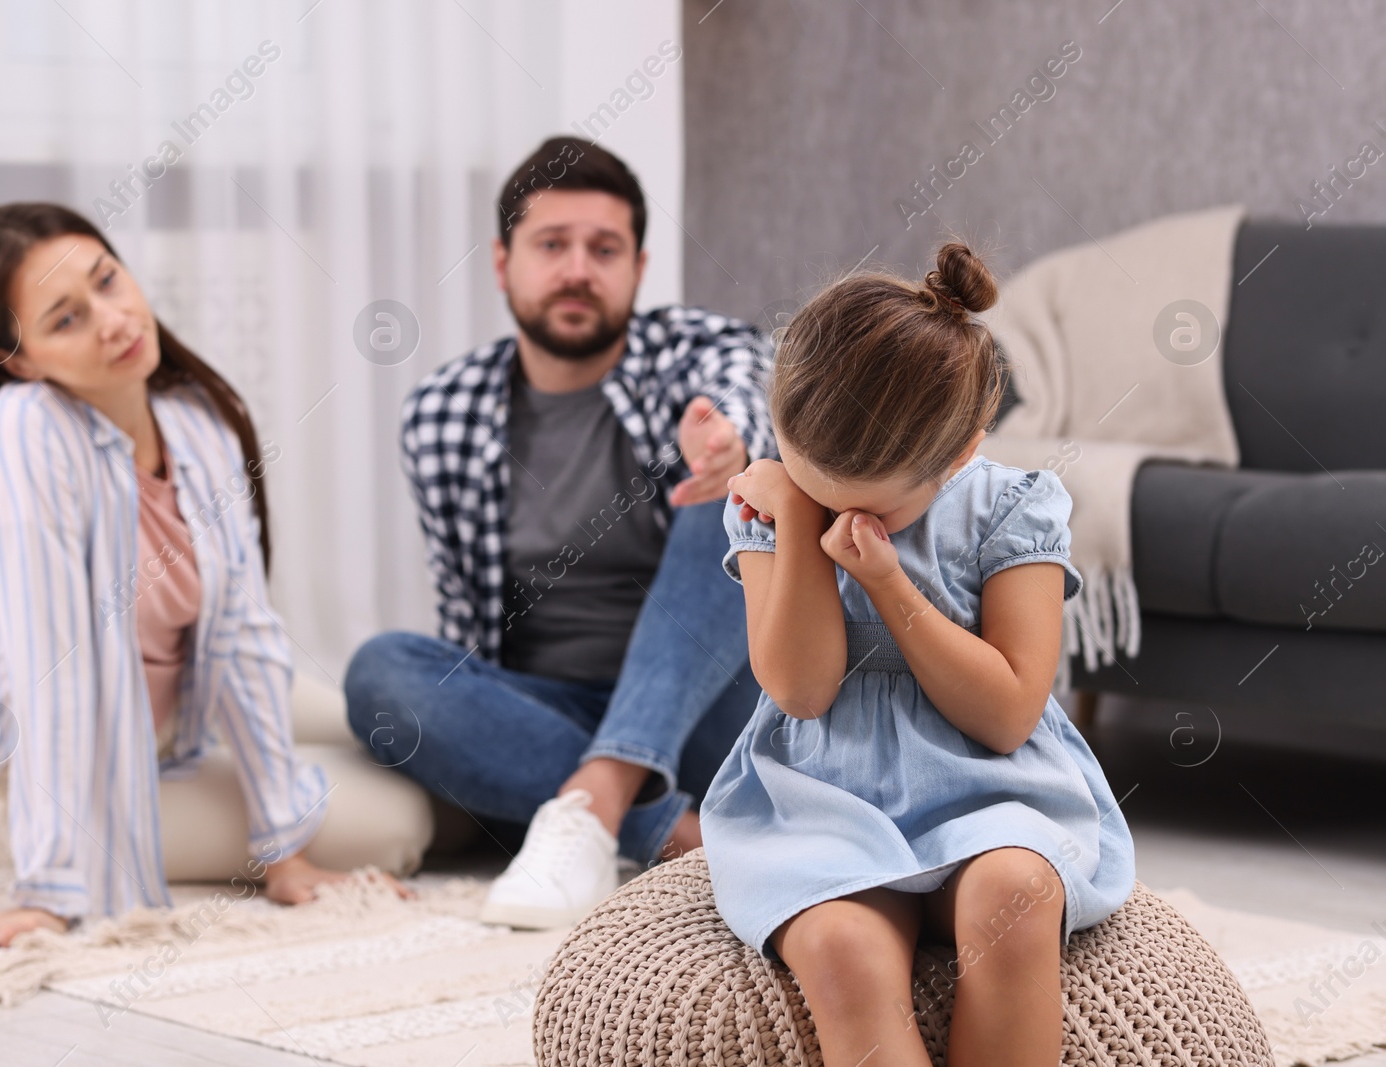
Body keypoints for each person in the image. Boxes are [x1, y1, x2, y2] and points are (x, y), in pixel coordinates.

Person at [0, 203, 432, 955]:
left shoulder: (197, 422)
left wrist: (285, 846)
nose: (113, 320)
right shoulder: (23, 438)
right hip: (86, 770)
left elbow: (244, 636)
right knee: (405, 819)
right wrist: (50, 892)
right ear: (20, 358)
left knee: (409, 723)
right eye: (67, 318)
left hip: (189, 708)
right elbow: (48, 675)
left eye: (108, 281)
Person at [701, 243, 1136, 1066]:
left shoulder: (1012, 507)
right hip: (824, 801)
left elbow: (1008, 713)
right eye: (810, 476)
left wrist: (889, 585)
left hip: (993, 793)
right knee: (840, 948)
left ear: (958, 456)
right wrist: (794, 521)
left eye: (863, 500)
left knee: (1016, 894)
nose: (830, 505)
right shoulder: (768, 507)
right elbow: (801, 686)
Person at [345, 137, 774, 928]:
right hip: (547, 714)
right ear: (504, 262)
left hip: (714, 709)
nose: (578, 268)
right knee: (381, 672)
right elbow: (467, 620)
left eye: (603, 248)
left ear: (638, 270)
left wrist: (730, 446)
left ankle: (595, 802)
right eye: (553, 245)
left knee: (738, 497)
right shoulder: (442, 412)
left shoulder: (692, 349)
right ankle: (658, 825)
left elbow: (741, 381)